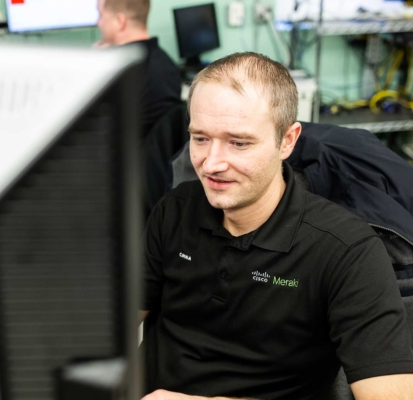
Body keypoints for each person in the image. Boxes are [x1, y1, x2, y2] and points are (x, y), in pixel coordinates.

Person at [140, 52, 413, 400]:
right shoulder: (175, 210)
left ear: (287, 140)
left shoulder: (347, 251)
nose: (211, 163)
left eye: (239, 143)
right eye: (200, 138)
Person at [94, 0, 182, 138]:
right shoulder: (166, 64)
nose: (98, 23)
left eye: (101, 15)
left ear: (119, 21)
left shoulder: (119, 74)